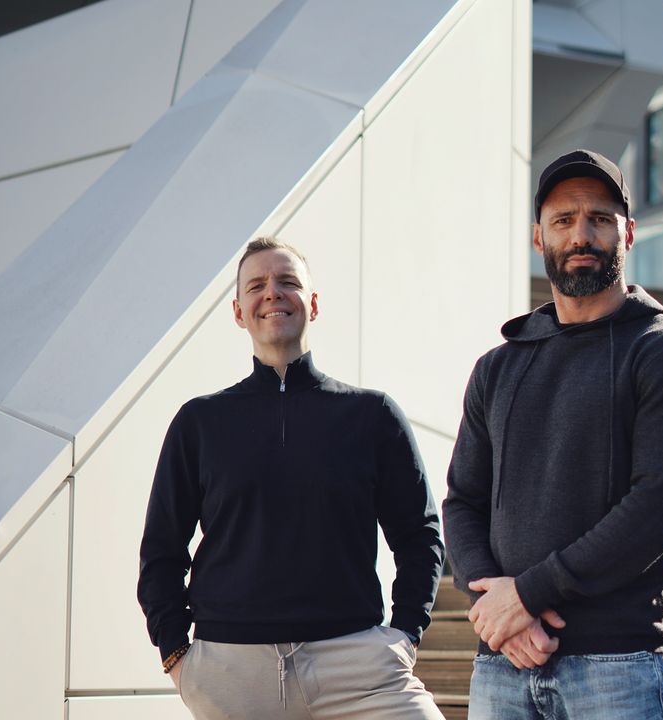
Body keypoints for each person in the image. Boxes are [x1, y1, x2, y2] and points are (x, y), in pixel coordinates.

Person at [443, 150, 663, 718]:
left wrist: (526, 596)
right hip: (503, 665)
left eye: (599, 218)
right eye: (563, 220)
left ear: (629, 233)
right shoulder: (497, 367)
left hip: (618, 669)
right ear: (537, 237)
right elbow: (462, 502)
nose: (582, 234)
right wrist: (495, 609)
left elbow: (656, 510)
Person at [138, 237, 447, 720]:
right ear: (239, 312)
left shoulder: (372, 415)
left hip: (356, 664)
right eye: (257, 285)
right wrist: (177, 656)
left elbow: (420, 535)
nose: (273, 293)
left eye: (288, 282)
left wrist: (406, 633)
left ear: (314, 304)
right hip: (232, 670)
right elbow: (161, 551)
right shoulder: (199, 422)